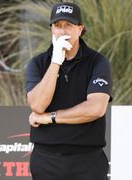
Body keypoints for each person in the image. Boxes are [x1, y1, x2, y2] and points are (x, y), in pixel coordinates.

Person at [26, 2, 112, 180]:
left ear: (80, 29)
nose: (62, 31)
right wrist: (56, 61)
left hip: (87, 161)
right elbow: (38, 105)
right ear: (51, 30)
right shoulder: (38, 63)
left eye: (69, 25)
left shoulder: (98, 62)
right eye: (57, 26)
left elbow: (96, 109)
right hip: (46, 159)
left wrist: (49, 118)